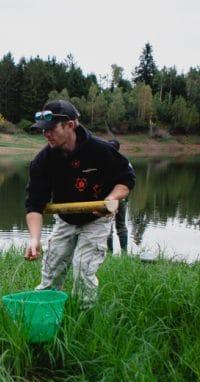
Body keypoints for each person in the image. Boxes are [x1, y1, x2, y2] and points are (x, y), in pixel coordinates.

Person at [24, 100, 135, 306]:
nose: (46, 134)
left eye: (51, 129)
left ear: (70, 125)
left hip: (97, 219)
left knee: (83, 268)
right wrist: (34, 239)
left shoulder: (100, 150)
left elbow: (126, 180)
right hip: (65, 220)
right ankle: (44, 315)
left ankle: (84, 318)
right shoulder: (43, 161)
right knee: (51, 270)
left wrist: (111, 198)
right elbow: (34, 204)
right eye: (43, 130)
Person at [106, 139, 129, 253]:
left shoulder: (103, 162)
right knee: (121, 225)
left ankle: (110, 253)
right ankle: (124, 252)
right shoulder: (125, 161)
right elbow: (129, 182)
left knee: (108, 226)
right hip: (121, 199)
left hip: (109, 199)